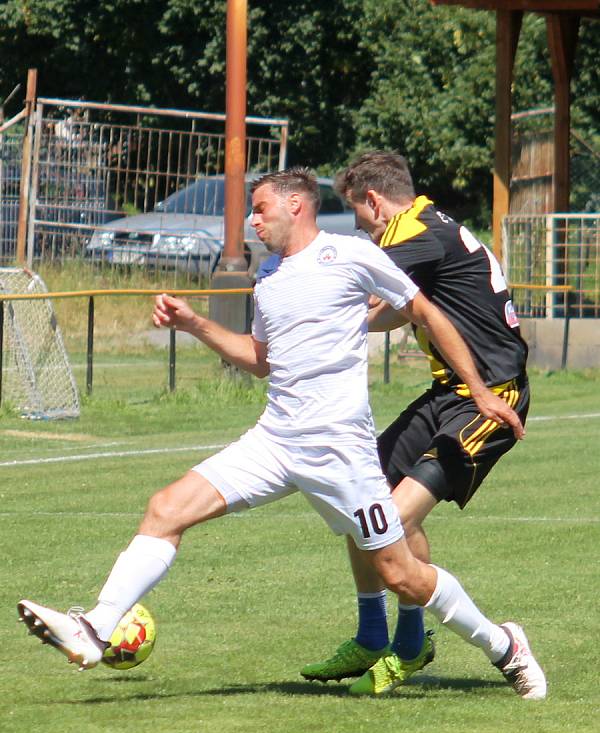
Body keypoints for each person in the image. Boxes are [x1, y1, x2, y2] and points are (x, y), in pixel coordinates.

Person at [17, 167, 545, 701]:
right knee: (166, 508)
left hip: (341, 452)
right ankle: (95, 630)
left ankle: (504, 645)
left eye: (260, 208)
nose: (252, 220)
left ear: (296, 205)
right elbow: (262, 359)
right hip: (274, 442)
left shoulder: (353, 255)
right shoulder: (268, 275)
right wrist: (194, 324)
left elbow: (426, 312)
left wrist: (478, 390)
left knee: (402, 575)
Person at [300, 151, 533, 697]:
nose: (360, 226)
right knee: (362, 497)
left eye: (358, 215)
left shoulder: (418, 234)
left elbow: (359, 287)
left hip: (490, 398)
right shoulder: (429, 230)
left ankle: (420, 646)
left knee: (385, 521)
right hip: (447, 392)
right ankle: (375, 635)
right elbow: (392, 310)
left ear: (374, 202)